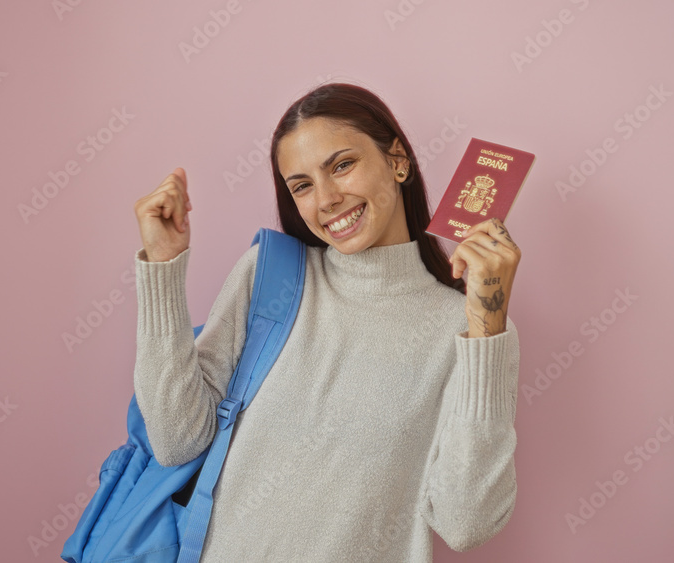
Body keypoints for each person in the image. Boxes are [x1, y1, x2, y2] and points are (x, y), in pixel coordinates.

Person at [131, 82, 521, 562]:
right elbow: (175, 441)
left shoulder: (466, 331)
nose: (327, 199)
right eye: (302, 186)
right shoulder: (269, 276)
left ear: (397, 160)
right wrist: (163, 271)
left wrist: (487, 321)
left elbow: (466, 523)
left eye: (342, 165)